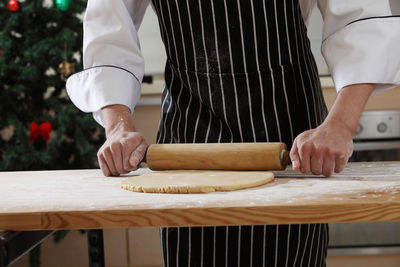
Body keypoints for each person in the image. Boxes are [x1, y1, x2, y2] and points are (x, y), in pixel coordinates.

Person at [66, 0, 400, 266]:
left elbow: (360, 20)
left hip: (286, 126)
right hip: (191, 129)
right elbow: (109, 34)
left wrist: (339, 125)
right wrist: (118, 128)